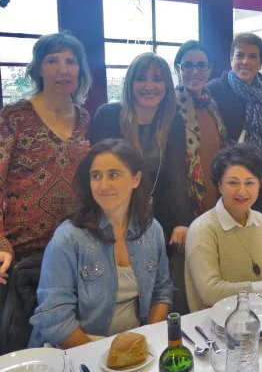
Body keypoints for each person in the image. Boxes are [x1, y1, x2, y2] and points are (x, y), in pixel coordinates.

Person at [29, 139, 172, 348]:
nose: (103, 185)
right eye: (96, 176)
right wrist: (101, 357)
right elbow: (55, 319)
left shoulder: (152, 230)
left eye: (113, 174)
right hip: (76, 350)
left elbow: (162, 291)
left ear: (136, 179)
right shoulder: (68, 238)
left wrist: (147, 341)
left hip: (134, 347)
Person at [0, 32, 92, 353]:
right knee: (25, 349)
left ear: (80, 70)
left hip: (74, 249)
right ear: (39, 68)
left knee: (72, 344)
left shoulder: (84, 119)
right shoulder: (14, 117)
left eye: (70, 61)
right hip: (23, 255)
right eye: (52, 61)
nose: (62, 69)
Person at [89, 52, 193, 314]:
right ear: (129, 83)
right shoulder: (108, 116)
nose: (149, 85)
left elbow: (177, 174)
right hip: (115, 215)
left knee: (159, 289)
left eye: (157, 79)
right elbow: (100, 174)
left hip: (161, 216)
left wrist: (183, 221)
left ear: (167, 86)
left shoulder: (173, 121)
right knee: (120, 287)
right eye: (141, 79)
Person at [184, 143, 262, 312]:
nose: (242, 191)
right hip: (216, 326)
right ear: (219, 185)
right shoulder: (202, 229)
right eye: (233, 183)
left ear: (259, 184)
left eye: (249, 183)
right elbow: (210, 292)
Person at [208, 33, 262, 215]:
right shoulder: (215, 89)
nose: (245, 61)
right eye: (240, 55)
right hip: (231, 179)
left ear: (261, 62)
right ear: (231, 59)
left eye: (253, 56)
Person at [174, 40, 227, 214]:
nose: (195, 72)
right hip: (183, 204)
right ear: (178, 69)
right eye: (187, 65)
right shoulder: (169, 108)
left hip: (217, 198)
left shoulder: (212, 105)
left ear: (210, 69)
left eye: (201, 65)